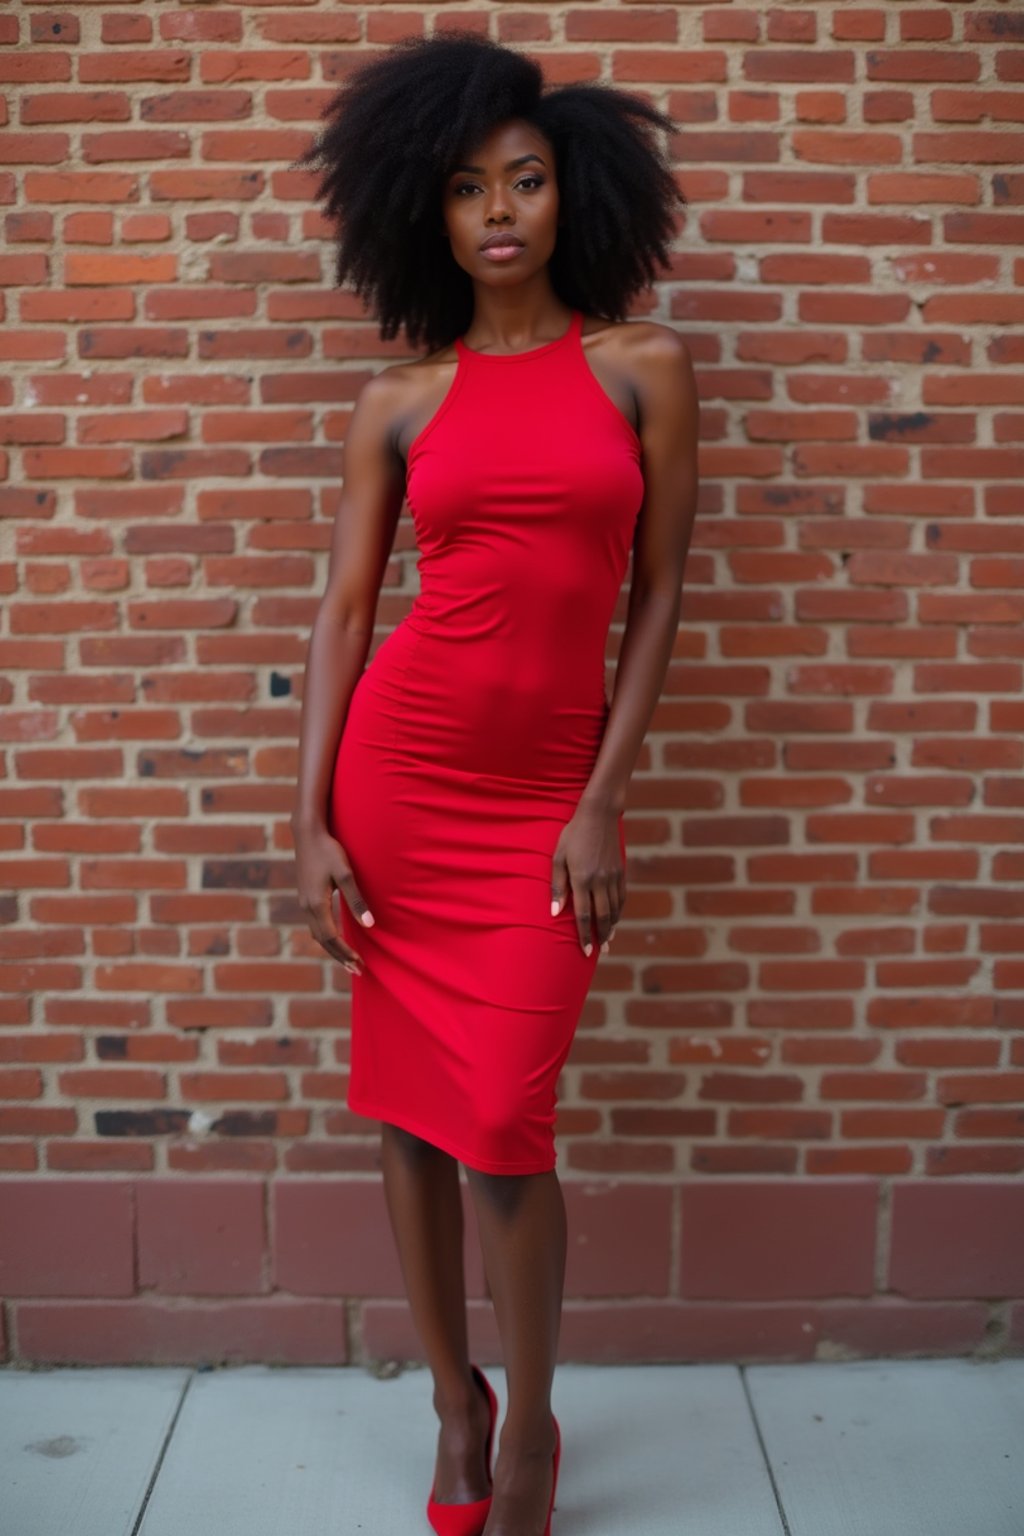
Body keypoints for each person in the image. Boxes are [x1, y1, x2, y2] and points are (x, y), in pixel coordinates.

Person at [290, 31, 699, 1536]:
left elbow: (656, 595)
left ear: (571, 194)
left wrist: (602, 794)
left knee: (508, 1125)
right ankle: (453, 1401)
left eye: (524, 179)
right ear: (430, 215)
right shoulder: (401, 399)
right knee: (408, 1119)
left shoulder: (643, 367)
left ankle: (530, 1434)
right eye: (467, 188)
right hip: (400, 785)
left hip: (540, 803)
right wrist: (312, 822)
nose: (499, 210)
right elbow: (344, 614)